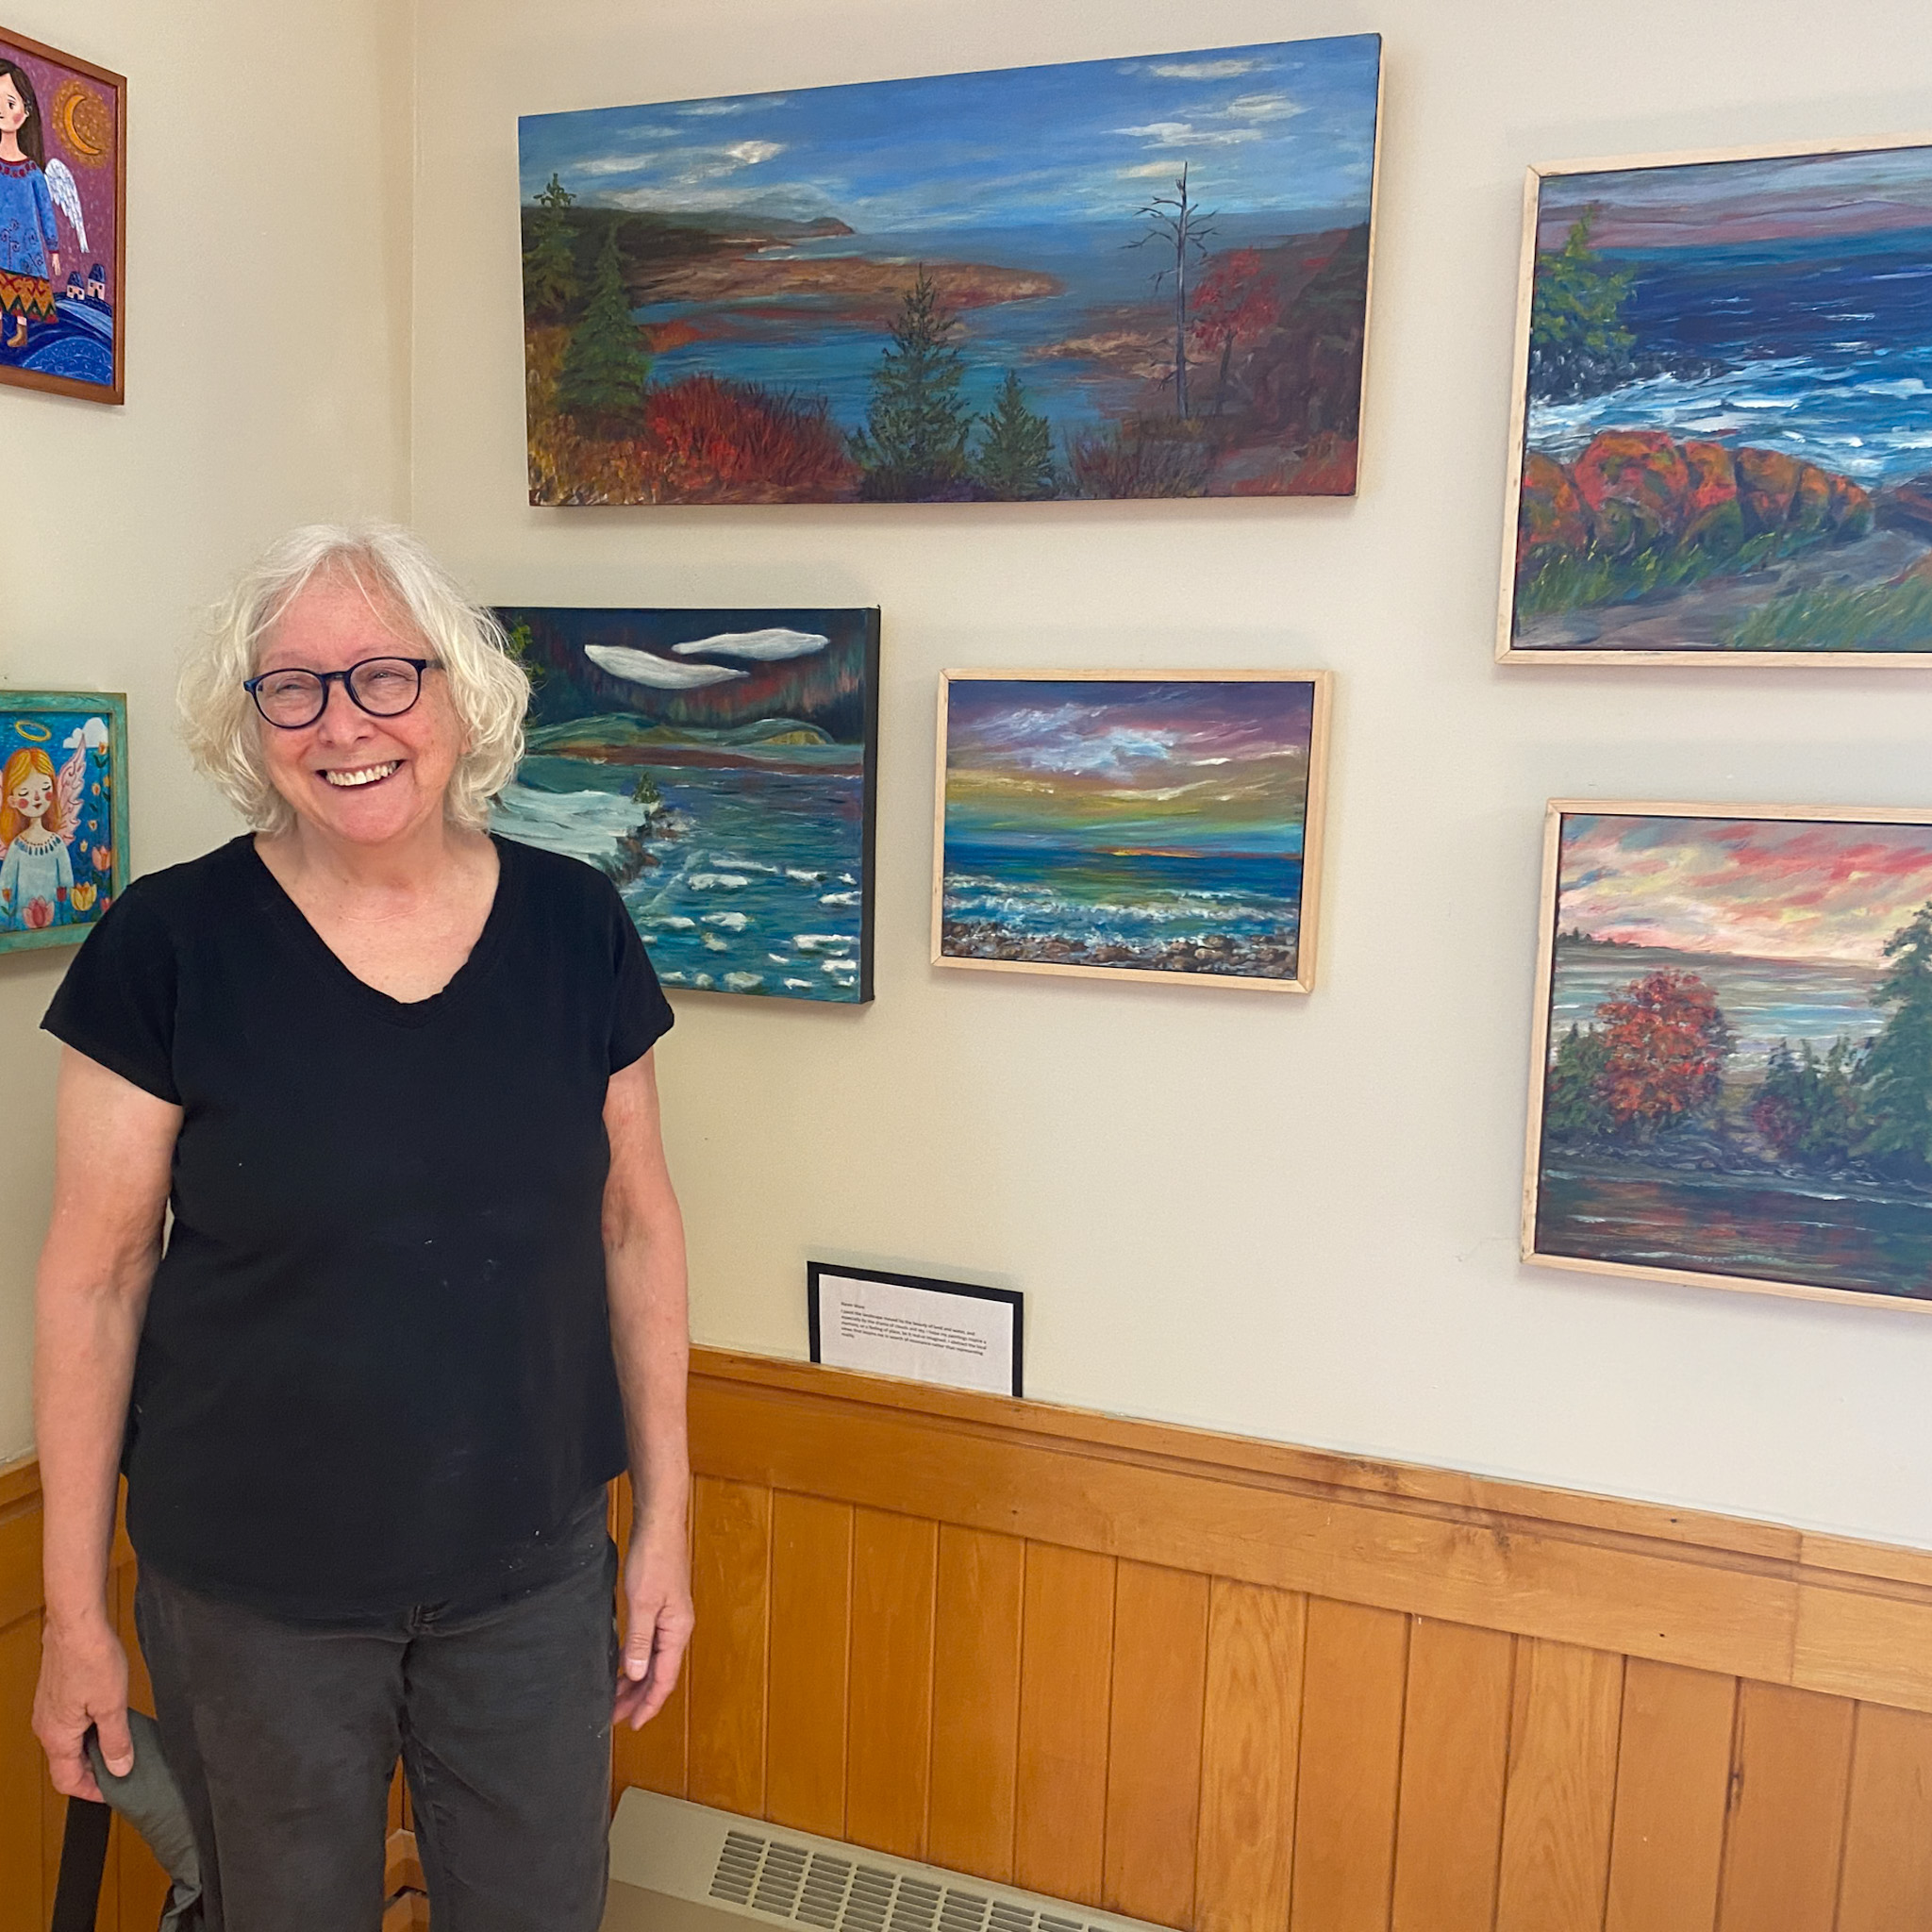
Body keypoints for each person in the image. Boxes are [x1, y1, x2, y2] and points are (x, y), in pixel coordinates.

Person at [30, 524, 693, 1932]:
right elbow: (91, 1286)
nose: (345, 725)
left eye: (389, 678)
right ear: (252, 720)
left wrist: (669, 1531)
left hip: (530, 1575)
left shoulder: (580, 928)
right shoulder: (164, 947)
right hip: (253, 1600)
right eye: (297, 688)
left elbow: (637, 1228)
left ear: (462, 698)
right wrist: (74, 1615)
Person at [0, 59, 59, 351]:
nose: (1, 110)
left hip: (27, 243)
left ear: (25, 112)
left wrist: (54, 247)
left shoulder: (33, 171)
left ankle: (21, 330)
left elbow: (45, 209)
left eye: (9, 103)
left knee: (22, 288)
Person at [0, 742, 75, 928]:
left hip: (56, 923)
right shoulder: (17, 847)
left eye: (45, 789)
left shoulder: (56, 844)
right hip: (20, 925)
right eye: (25, 792)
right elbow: (5, 889)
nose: (37, 798)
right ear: (12, 801)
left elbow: (67, 885)